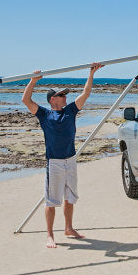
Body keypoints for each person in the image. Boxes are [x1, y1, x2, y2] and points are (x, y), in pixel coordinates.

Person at [22, 63, 104, 248]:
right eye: (61, 95)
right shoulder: (44, 114)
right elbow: (26, 100)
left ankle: (68, 228)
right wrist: (33, 81)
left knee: (70, 197)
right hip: (55, 163)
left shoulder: (70, 111)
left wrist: (91, 74)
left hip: (71, 159)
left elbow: (85, 94)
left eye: (65, 94)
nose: (65, 97)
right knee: (51, 200)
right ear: (52, 99)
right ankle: (50, 235)